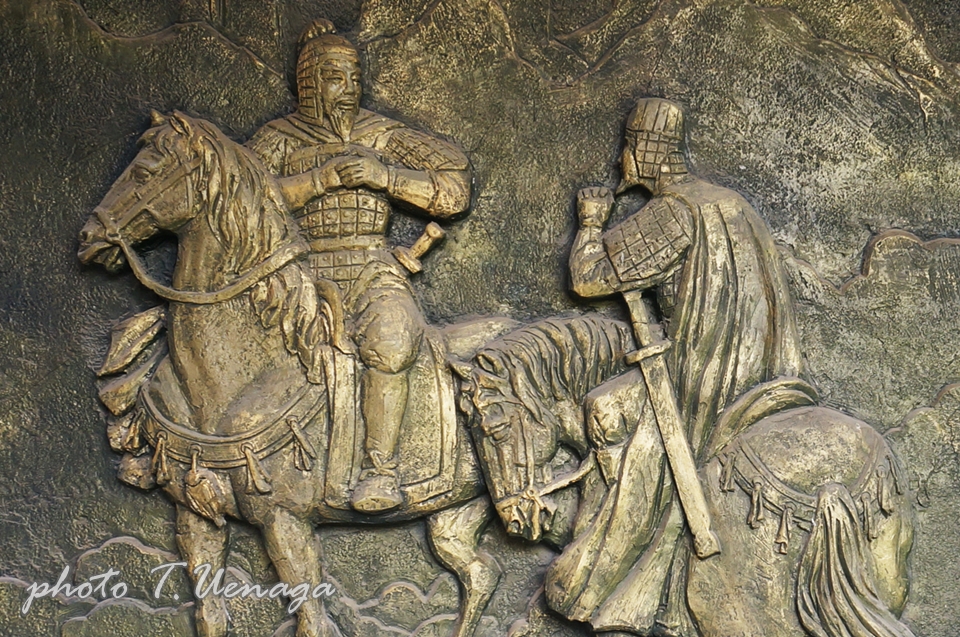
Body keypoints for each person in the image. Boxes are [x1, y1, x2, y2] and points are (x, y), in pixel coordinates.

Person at [548, 97, 807, 633]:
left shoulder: (674, 212)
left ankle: (610, 566)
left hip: (699, 380)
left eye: (627, 146)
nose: (620, 159)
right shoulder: (731, 203)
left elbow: (590, 278)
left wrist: (591, 224)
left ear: (646, 150)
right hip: (756, 371)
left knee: (603, 410)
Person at [247, 19, 472, 513]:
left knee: (392, 340)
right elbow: (245, 200)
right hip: (297, 273)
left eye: (353, 77)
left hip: (372, 268)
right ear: (308, 83)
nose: (348, 88)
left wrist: (384, 176)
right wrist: (318, 181)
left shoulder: (381, 135)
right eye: (334, 78)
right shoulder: (278, 138)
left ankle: (380, 471)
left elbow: (454, 190)